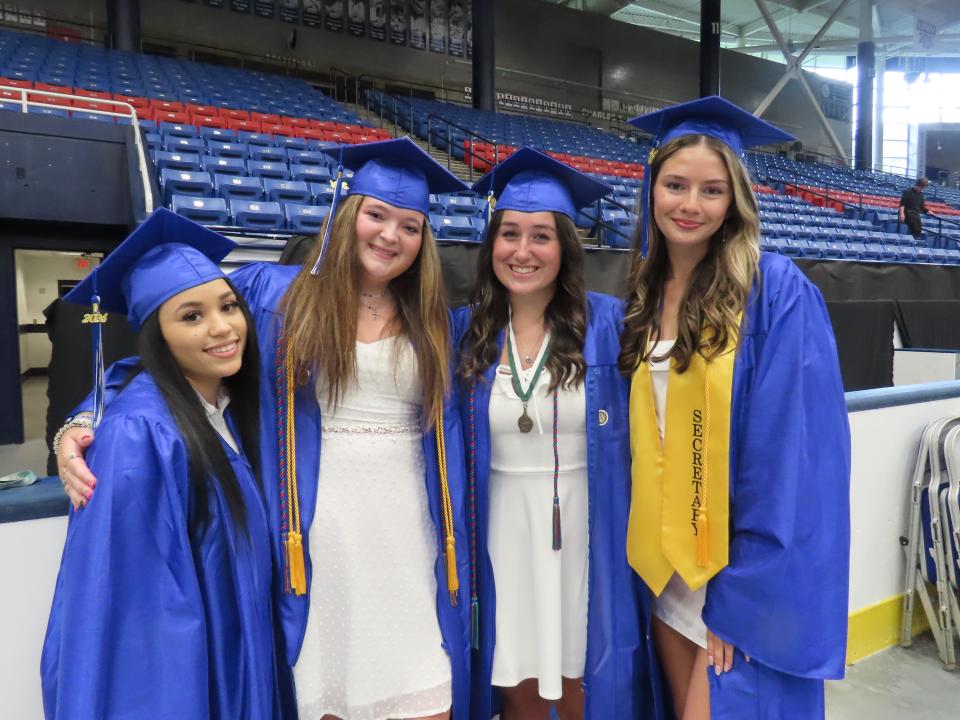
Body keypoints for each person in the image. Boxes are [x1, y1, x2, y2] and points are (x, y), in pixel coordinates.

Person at [54, 138, 473, 720]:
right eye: (376, 215)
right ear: (348, 213)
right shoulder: (274, 294)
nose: (390, 235)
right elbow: (169, 356)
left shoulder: (440, 324)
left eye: (410, 225)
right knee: (328, 692)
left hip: (410, 528)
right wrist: (82, 419)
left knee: (427, 688)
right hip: (314, 531)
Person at [621, 97, 851, 719]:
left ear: (735, 200)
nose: (689, 205)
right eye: (675, 185)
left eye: (711, 190)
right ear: (651, 187)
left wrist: (745, 605)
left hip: (733, 581)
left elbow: (792, 462)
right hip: (665, 576)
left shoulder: (774, 292)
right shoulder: (643, 298)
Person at [41, 210, 278, 718]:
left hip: (238, 659)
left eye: (229, 306)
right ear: (158, 336)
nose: (222, 328)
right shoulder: (138, 434)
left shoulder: (224, 403)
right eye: (190, 316)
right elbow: (141, 619)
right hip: (193, 679)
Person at [454, 147, 662, 720]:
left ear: (565, 247)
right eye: (510, 234)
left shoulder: (610, 326)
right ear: (491, 244)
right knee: (512, 660)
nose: (523, 251)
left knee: (579, 663)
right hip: (499, 525)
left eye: (541, 236)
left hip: (585, 525)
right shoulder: (464, 334)